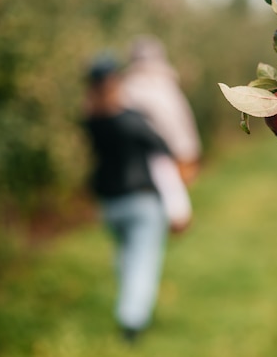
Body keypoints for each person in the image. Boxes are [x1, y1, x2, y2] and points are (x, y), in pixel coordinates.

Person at [82, 54, 171, 343]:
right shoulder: (130, 120)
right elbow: (161, 145)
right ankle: (132, 321)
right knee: (142, 261)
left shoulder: (91, 121)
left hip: (110, 204)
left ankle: (130, 306)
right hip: (141, 200)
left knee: (125, 258)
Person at [120, 35, 202, 232]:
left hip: (144, 159)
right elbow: (177, 120)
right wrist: (188, 150)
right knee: (167, 195)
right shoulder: (161, 86)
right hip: (156, 153)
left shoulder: (128, 88)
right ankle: (174, 220)